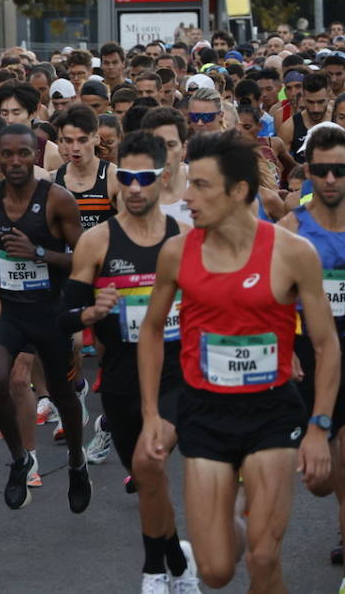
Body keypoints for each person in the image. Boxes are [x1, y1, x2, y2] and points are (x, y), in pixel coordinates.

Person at [139, 129, 338, 592]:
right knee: (216, 572)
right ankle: (232, 519)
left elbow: (327, 345)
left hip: (272, 412)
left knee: (265, 557)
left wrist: (318, 427)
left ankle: (256, 542)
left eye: (201, 185)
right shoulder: (176, 253)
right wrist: (151, 414)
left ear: (239, 191)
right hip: (204, 413)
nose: (186, 197)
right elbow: (151, 329)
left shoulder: (293, 252)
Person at [60, 131, 198, 592]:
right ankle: (178, 559)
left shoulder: (184, 237)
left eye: (146, 178)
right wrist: (90, 313)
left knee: (151, 461)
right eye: (128, 178)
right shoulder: (96, 242)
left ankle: (154, 570)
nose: (135, 188)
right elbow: (62, 317)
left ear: (163, 178)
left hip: (178, 374)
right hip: (120, 378)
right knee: (147, 475)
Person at [0, 124, 89, 512]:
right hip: (7, 310)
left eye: (24, 153)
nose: (16, 161)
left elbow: (85, 259)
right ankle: (21, 458)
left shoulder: (58, 200)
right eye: (7, 154)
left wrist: (38, 253)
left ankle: (76, 460)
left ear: (35, 154)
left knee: (62, 395)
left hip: (50, 313)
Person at [268, 121, 345, 582]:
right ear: (309, 171)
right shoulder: (290, 228)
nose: (332, 179)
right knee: (320, 479)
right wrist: (284, 347)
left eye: (340, 170)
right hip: (309, 352)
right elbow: (272, 297)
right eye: (322, 170)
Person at [52, 105, 118, 231]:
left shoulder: (114, 177)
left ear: (96, 138)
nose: (75, 148)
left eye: (82, 140)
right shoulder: (53, 179)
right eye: (69, 141)